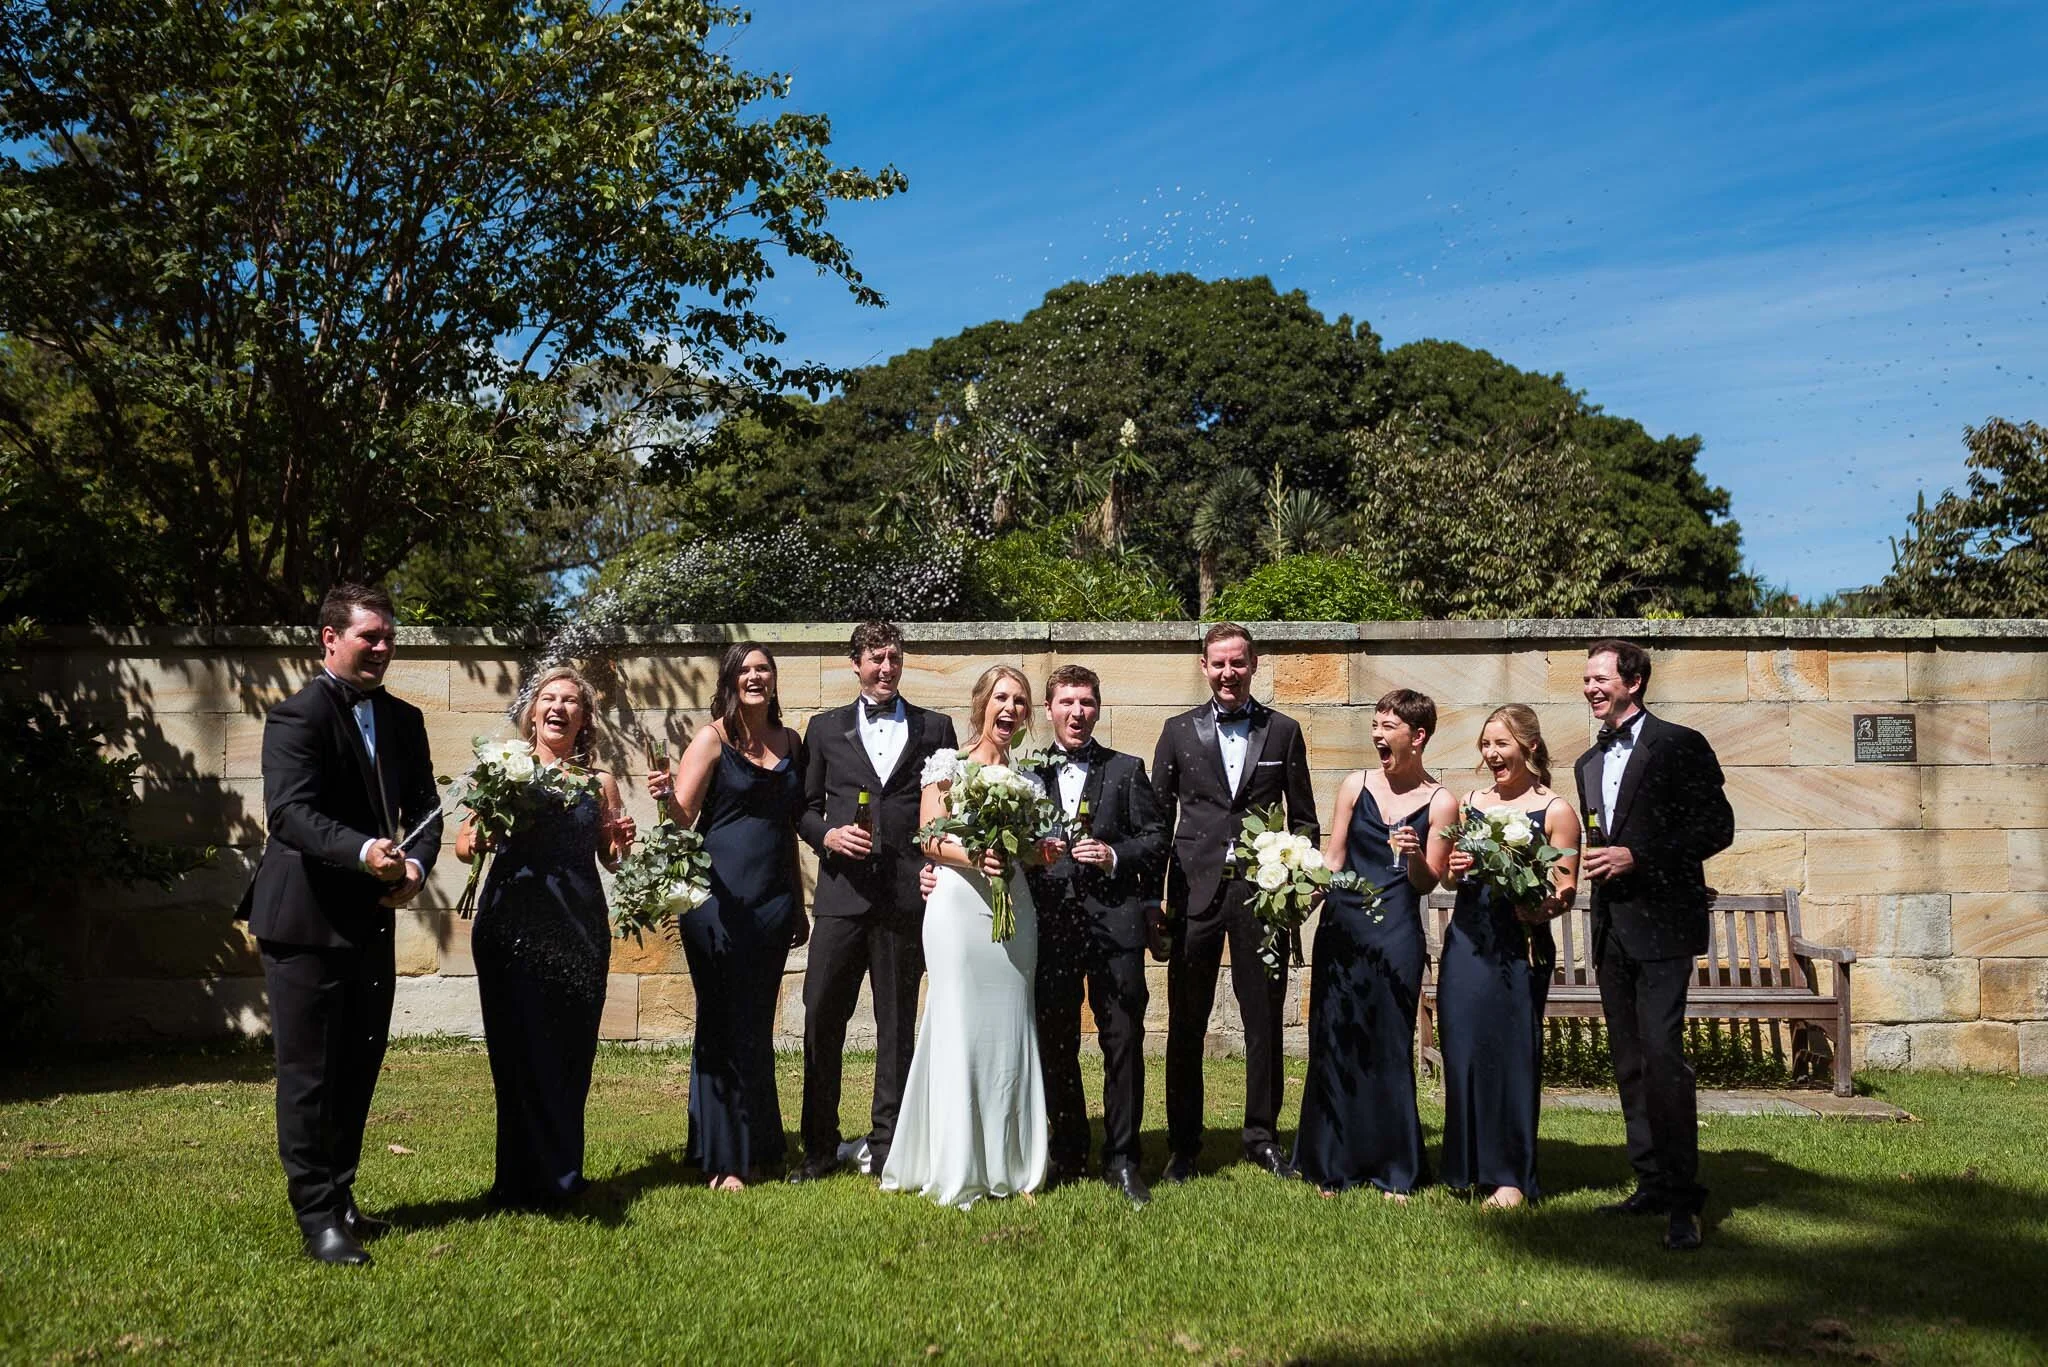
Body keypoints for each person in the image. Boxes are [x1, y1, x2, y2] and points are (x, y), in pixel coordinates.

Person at [237, 583, 441, 1265]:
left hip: (371, 921)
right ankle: (317, 1215)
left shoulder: (406, 720)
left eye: (389, 636)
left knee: (359, 1062)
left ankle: (344, 1193)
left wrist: (414, 868)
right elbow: (290, 814)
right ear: (329, 638)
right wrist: (362, 851)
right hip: (304, 920)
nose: (383, 647)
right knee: (310, 1073)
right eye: (369, 636)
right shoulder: (295, 718)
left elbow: (427, 811)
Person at [1575, 638, 1733, 1251]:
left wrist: (1638, 856)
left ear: (1633, 681)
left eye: (1599, 678)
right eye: (1585, 680)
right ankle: (1649, 1181)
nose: (1590, 688)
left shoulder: (1679, 744)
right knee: (1630, 1061)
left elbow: (1716, 827)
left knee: (1664, 1059)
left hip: (1664, 927)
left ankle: (1684, 1202)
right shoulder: (1589, 762)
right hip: (1611, 928)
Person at [458, 664, 634, 1210]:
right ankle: (514, 1181)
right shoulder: (502, 768)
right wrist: (488, 824)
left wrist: (619, 838)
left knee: (570, 1052)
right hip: (511, 924)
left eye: (571, 702)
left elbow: (610, 857)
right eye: (549, 699)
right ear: (532, 712)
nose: (559, 707)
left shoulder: (599, 783)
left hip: (579, 926)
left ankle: (563, 1175)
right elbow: (466, 845)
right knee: (514, 1053)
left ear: (585, 719)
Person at [791, 622, 960, 1183]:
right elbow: (805, 808)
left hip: (905, 899)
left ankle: (890, 1147)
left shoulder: (937, 728)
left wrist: (936, 868)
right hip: (841, 897)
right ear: (855, 663)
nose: (885, 667)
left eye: (894, 657)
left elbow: (951, 812)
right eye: (874, 658)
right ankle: (818, 1148)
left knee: (897, 1028)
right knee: (821, 1017)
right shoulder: (823, 729)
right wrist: (828, 837)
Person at [1152, 623, 1319, 1183]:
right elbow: (1157, 823)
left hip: (1262, 898)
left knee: (1264, 1020)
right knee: (1186, 1022)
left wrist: (1300, 884)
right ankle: (1184, 1144)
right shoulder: (1177, 732)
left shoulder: (1283, 732)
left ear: (1254, 665)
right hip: (1193, 896)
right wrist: (1156, 900)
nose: (1228, 673)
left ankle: (1262, 1137)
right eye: (1218, 664)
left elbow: (1304, 821)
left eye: (1238, 663)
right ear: (1204, 667)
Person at [882, 664, 1054, 1208]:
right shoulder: (946, 765)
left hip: (1013, 911)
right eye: (1001, 697)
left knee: (1009, 1025)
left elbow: (1028, 850)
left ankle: (1013, 1162)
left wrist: (1037, 853)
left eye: (1020, 701)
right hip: (957, 910)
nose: (1010, 708)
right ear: (981, 703)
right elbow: (928, 839)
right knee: (957, 1023)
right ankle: (957, 1165)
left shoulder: (1028, 781)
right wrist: (975, 856)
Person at [648, 643, 805, 1190]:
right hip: (716, 902)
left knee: (756, 1025)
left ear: (774, 680)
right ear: (731, 680)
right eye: (746, 669)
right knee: (722, 1021)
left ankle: (760, 1146)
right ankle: (725, 1159)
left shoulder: (791, 742)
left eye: (764, 668)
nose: (756, 676)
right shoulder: (711, 739)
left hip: (771, 903)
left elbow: (788, 828)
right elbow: (682, 820)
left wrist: (798, 903)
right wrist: (664, 795)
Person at [1023, 665, 1167, 1207]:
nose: (1077, 712)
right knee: (1055, 1041)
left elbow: (1156, 839)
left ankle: (1124, 1160)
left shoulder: (1127, 769)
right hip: (1053, 924)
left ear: (1098, 709)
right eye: (1066, 702)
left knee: (1123, 1041)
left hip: (1116, 926)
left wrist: (1112, 855)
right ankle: (1068, 1152)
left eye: (1086, 702)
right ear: (1049, 709)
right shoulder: (1026, 771)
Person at [1293, 689, 1446, 1199]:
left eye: (1388, 727)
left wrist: (1417, 853)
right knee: (1334, 1039)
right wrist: (1293, 906)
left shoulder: (1442, 800)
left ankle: (1394, 1167)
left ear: (1417, 736)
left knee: (1387, 1043)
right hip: (1342, 928)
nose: (1378, 735)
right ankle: (1330, 1163)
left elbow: (1430, 883)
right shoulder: (1354, 785)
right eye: (1375, 725)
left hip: (1397, 933)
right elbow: (1333, 860)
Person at [1427, 705, 1580, 1209]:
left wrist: (1537, 905)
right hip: (1468, 942)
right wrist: (1456, 865)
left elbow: (1566, 890)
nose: (1492, 755)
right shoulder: (1470, 804)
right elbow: (1450, 879)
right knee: (1464, 1053)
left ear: (1529, 747)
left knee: (1513, 1057)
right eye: (1486, 745)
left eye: (1502, 745)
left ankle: (1511, 1176)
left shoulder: (1556, 812)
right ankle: (1466, 1168)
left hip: (1519, 945)